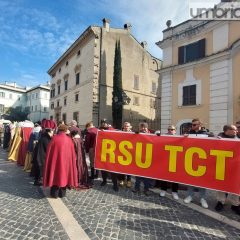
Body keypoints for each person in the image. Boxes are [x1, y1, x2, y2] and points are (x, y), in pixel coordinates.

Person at [43, 124, 78, 198]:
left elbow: (49, 151)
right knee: (64, 176)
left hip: (55, 162)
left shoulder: (54, 138)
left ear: (59, 130)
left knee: (55, 176)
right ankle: (62, 194)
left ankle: (54, 194)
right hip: (66, 163)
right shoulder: (69, 140)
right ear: (65, 130)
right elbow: (72, 153)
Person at [214, 124, 240, 215]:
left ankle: (235, 204)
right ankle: (221, 202)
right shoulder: (219, 138)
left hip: (236, 167)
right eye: (234, 129)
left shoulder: (238, 139)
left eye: (236, 129)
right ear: (227, 131)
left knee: (237, 185)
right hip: (222, 166)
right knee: (221, 185)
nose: (236, 131)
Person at [183, 118, 209, 208]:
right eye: (192, 124)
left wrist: (218, 139)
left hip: (203, 160)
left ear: (200, 125)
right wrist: (184, 138)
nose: (192, 126)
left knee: (202, 181)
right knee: (191, 180)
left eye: (194, 125)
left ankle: (203, 198)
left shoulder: (207, 134)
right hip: (191, 159)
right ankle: (190, 196)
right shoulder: (189, 133)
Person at [159, 125, 179, 200]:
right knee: (164, 176)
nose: (170, 130)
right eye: (169, 129)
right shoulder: (164, 137)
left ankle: (174, 192)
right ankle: (163, 190)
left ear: (175, 131)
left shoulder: (179, 138)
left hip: (175, 160)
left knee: (175, 177)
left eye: (172, 129)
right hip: (165, 160)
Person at [99, 119, 118, 192]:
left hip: (111, 153)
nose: (103, 124)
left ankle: (115, 184)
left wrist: (107, 131)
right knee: (103, 168)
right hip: (103, 152)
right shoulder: (100, 129)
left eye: (105, 123)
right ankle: (104, 181)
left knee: (112, 170)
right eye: (102, 123)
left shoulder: (111, 129)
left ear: (107, 123)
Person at [132, 122, 151, 196]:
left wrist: (158, 135)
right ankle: (137, 188)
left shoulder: (152, 135)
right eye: (141, 127)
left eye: (144, 127)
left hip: (148, 159)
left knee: (147, 176)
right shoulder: (136, 134)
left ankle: (146, 189)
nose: (143, 129)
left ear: (147, 128)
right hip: (139, 158)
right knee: (138, 175)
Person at [118, 122, 132, 188]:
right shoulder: (120, 133)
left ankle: (129, 180)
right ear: (123, 127)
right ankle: (121, 180)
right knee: (121, 168)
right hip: (121, 153)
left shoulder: (133, 134)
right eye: (125, 126)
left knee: (129, 168)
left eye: (127, 126)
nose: (126, 127)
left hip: (130, 154)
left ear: (130, 127)